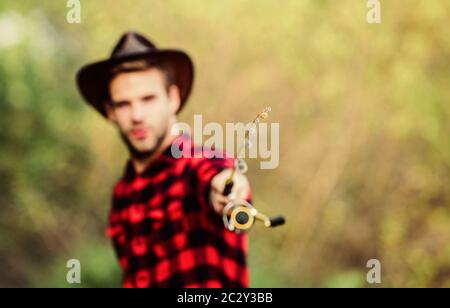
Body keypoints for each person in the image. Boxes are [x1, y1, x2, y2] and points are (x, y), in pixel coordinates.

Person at [76, 32, 251, 288]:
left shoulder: (199, 163)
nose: (137, 115)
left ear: (173, 98)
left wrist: (228, 192)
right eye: (123, 104)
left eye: (148, 99)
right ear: (110, 111)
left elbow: (217, 176)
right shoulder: (123, 193)